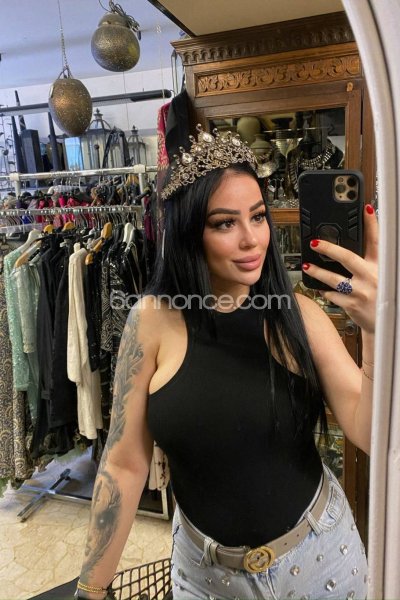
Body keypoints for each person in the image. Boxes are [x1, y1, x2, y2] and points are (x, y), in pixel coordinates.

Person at [75, 125, 377, 600]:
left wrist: (376, 330)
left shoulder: (299, 317)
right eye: (224, 223)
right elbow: (125, 462)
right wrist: (91, 588)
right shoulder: (150, 322)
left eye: (258, 216)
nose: (252, 239)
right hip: (205, 577)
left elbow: (369, 430)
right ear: (189, 233)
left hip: (320, 563)